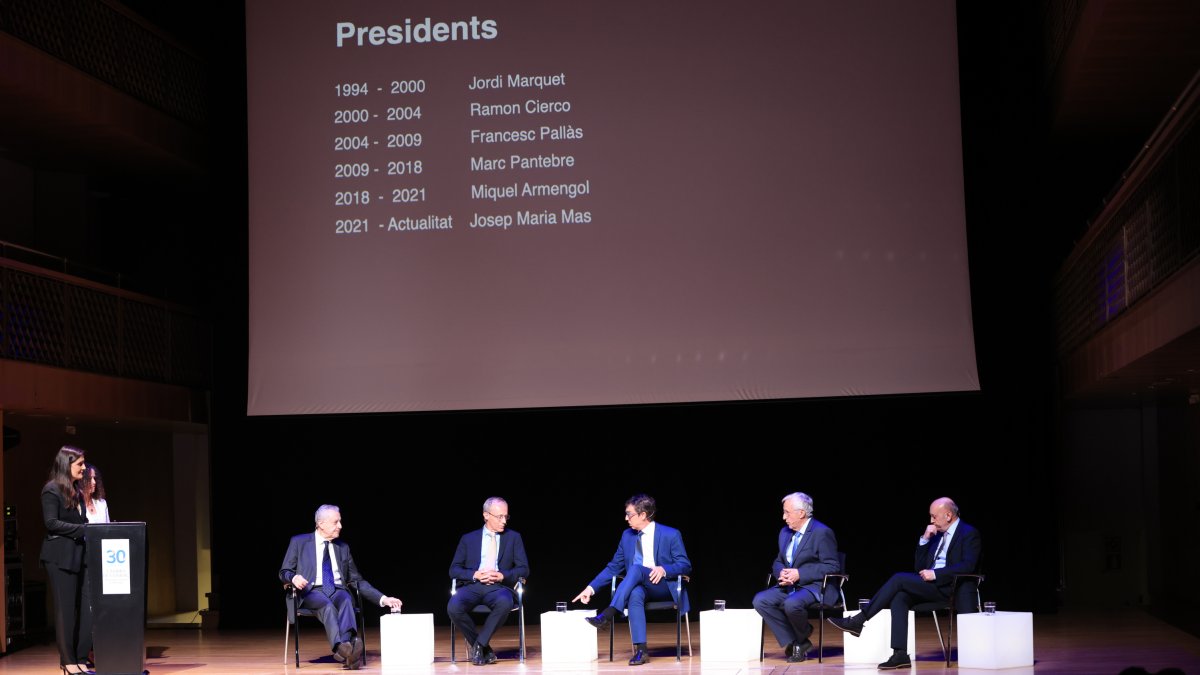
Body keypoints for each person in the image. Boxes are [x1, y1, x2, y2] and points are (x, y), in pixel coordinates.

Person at [827, 497, 982, 670]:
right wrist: (924, 539)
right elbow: (919, 568)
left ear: (948, 515)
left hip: (953, 588)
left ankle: (859, 620)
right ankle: (900, 654)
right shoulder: (937, 536)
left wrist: (936, 574)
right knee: (900, 597)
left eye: (934, 516)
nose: (931, 521)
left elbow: (968, 565)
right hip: (933, 587)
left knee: (899, 578)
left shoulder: (968, 533)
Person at [573, 494, 691, 666]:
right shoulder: (627, 536)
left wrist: (664, 569)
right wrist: (590, 588)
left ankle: (609, 613)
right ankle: (641, 651)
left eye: (629, 514)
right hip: (639, 586)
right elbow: (614, 566)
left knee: (635, 569)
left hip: (663, 585)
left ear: (643, 515)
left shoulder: (670, 534)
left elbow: (685, 565)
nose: (626, 518)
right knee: (635, 594)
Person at [279, 505, 403, 670]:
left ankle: (345, 649)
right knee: (327, 605)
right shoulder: (299, 542)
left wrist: (383, 598)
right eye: (336, 522)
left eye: (340, 521)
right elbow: (284, 571)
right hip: (310, 591)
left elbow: (356, 580)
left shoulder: (342, 547)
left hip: (337, 589)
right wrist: (294, 577)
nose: (340, 526)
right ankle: (344, 646)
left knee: (345, 599)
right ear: (321, 524)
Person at [752, 492, 840, 662]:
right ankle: (798, 639)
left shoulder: (822, 533)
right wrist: (782, 573)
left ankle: (799, 642)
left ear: (801, 513)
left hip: (814, 585)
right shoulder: (784, 533)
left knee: (792, 604)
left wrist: (799, 574)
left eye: (787, 512)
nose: (784, 517)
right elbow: (778, 561)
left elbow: (832, 566)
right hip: (789, 585)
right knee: (760, 600)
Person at [447, 497, 530, 666]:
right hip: (473, 586)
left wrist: (502, 575)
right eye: (499, 517)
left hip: (499, 588)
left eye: (506, 517)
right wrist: (475, 574)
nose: (503, 521)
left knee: (505, 602)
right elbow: (453, 570)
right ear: (486, 515)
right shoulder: (468, 539)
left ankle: (478, 645)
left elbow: (524, 569)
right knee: (453, 607)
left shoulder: (514, 537)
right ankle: (484, 648)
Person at [40, 445, 94, 675]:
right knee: (66, 610)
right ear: (66, 464)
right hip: (60, 557)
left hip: (80, 557)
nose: (84, 468)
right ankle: (68, 660)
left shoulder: (77, 492)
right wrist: (84, 529)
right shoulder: (51, 490)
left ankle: (81, 657)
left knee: (86, 610)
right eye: (79, 464)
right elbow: (51, 523)